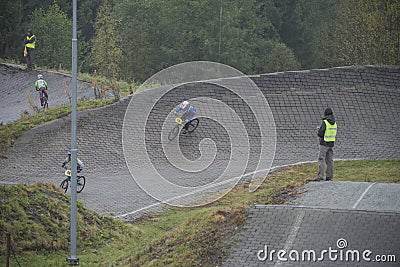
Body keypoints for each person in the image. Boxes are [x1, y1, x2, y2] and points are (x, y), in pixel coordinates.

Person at [315, 108, 338, 181]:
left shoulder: (325, 122)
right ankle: (329, 177)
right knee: (330, 161)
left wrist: (319, 129)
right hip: (331, 144)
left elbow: (320, 133)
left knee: (321, 159)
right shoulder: (334, 123)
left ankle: (320, 176)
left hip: (324, 143)